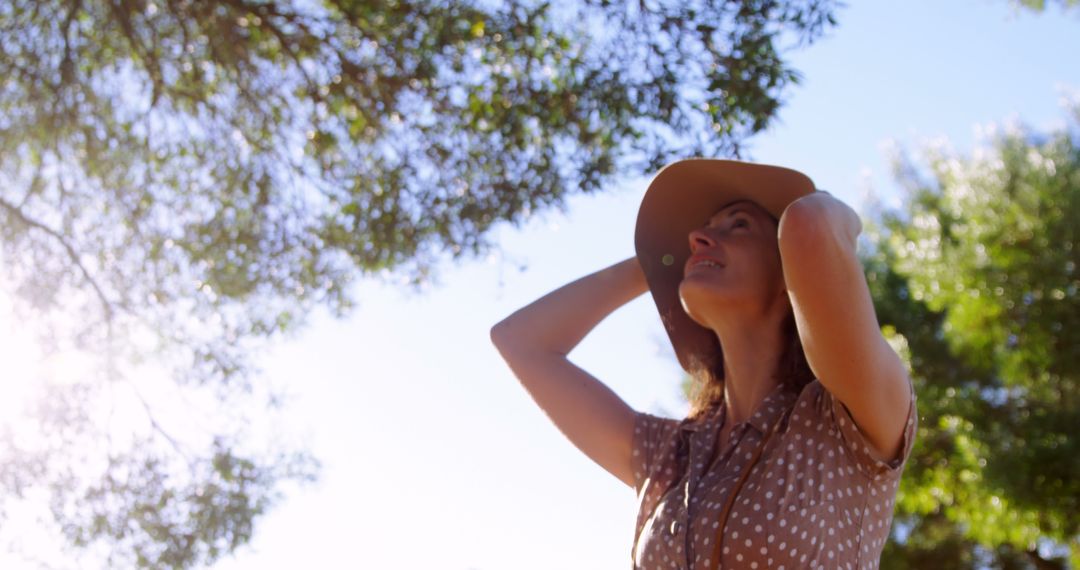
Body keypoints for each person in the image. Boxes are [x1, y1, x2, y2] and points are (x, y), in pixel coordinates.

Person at [490, 158, 918, 570]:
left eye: (739, 225)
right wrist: (658, 262)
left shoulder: (845, 418)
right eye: (699, 234)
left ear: (788, 265)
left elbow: (811, 224)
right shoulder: (667, 454)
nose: (697, 237)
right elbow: (520, 341)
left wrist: (841, 220)